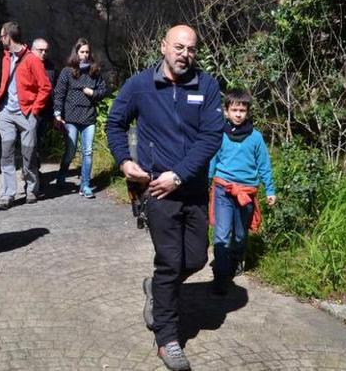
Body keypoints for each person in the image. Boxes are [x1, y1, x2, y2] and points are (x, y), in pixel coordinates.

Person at [106, 25, 224, 371]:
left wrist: (180, 175)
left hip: (192, 188)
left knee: (196, 259)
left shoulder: (207, 86)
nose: (184, 53)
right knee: (170, 261)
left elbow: (211, 136)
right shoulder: (140, 85)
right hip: (157, 190)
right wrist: (125, 162)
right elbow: (115, 123)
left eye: (190, 49)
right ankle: (167, 338)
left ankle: (157, 291)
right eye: (178, 46)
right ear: (163, 47)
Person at [207, 88, 276, 294]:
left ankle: (236, 260)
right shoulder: (220, 135)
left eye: (242, 110)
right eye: (234, 110)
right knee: (221, 234)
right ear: (226, 111)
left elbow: (264, 165)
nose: (238, 114)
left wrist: (270, 189)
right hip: (223, 190)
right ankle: (220, 277)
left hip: (246, 194)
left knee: (239, 235)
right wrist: (205, 183)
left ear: (248, 112)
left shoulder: (255, 138)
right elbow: (212, 161)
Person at [0, 21, 52, 209]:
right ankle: (7, 195)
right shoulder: (6, 58)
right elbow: (4, 84)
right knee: (7, 154)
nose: (0, 39)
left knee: (28, 154)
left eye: (2, 36)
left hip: (26, 114)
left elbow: (45, 87)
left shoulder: (32, 59)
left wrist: (34, 110)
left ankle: (32, 189)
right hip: (6, 114)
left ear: (9, 37)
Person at [53, 38, 107, 198]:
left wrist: (93, 93)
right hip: (71, 118)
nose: (84, 55)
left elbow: (103, 91)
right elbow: (59, 94)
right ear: (76, 53)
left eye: (87, 52)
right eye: (82, 52)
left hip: (88, 118)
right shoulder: (67, 72)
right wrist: (57, 114)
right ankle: (61, 176)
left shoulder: (94, 72)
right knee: (70, 152)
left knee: (88, 152)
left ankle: (85, 185)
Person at [31, 38, 57, 188]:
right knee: (29, 143)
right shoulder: (27, 64)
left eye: (46, 50)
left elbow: (53, 90)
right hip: (30, 110)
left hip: (44, 111)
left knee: (38, 142)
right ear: (33, 49)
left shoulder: (50, 67)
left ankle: (35, 170)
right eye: (40, 50)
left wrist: (55, 113)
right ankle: (31, 171)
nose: (43, 53)